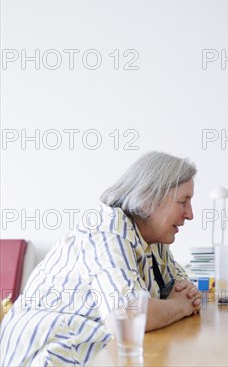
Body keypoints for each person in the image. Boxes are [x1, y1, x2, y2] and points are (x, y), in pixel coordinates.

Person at [0, 151, 203, 366]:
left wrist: (174, 302)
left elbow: (183, 289)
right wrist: (179, 307)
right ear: (148, 198)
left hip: (96, 348)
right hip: (50, 352)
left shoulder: (154, 238)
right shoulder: (108, 227)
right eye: (183, 202)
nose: (190, 214)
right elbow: (128, 315)